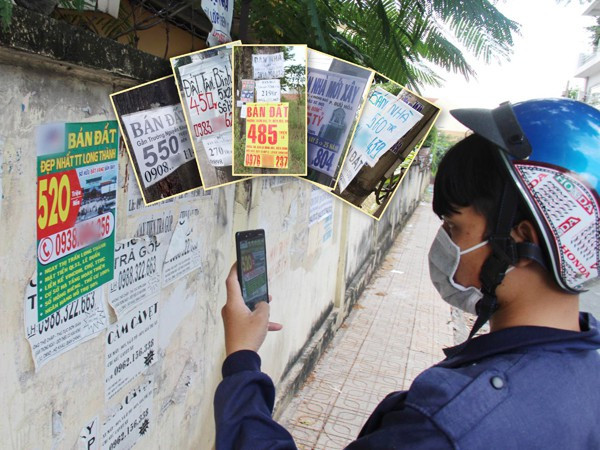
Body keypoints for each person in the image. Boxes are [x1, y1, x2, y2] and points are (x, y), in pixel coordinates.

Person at [214, 98, 600, 449]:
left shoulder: (449, 428)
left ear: (523, 241)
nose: (443, 244)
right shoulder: (586, 373)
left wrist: (242, 359)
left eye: (454, 227)